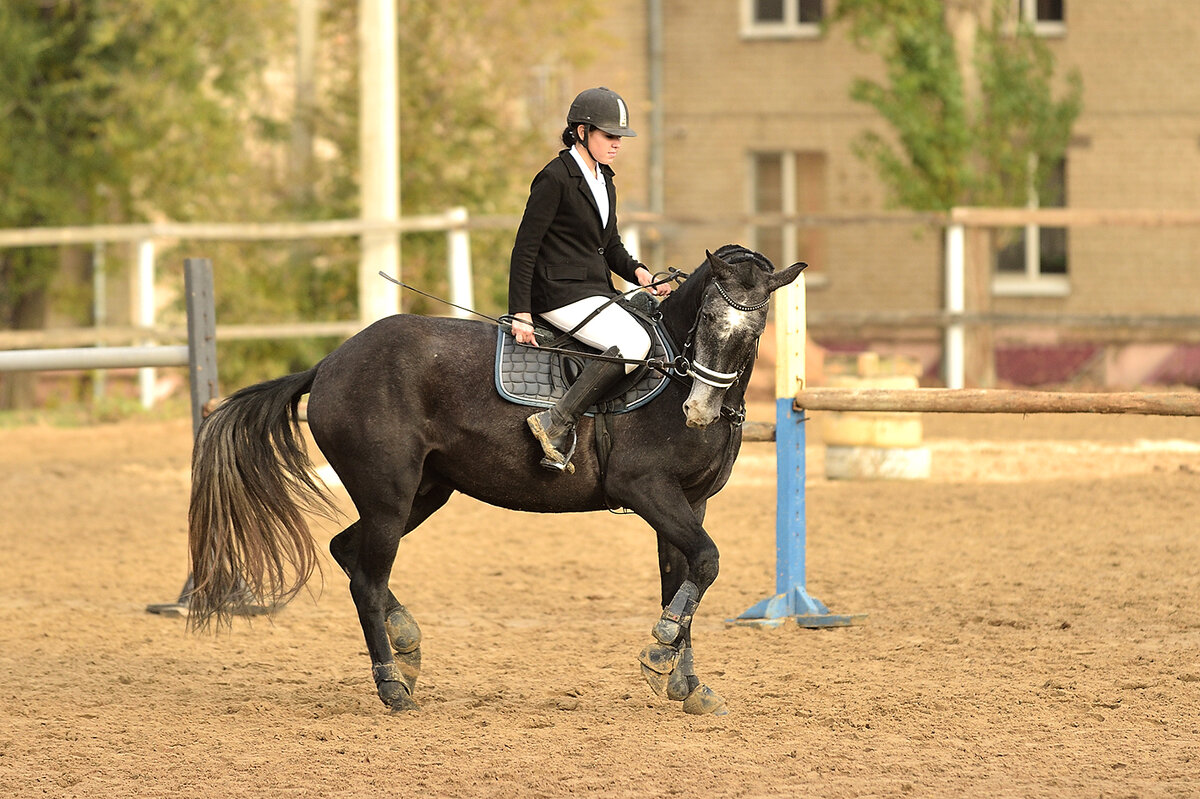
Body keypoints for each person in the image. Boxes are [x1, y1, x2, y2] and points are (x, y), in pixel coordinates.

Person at [508, 86, 670, 475]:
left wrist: (640, 273)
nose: (617, 144)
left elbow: (609, 244)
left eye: (620, 137)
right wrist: (521, 312)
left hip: (594, 291)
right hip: (559, 293)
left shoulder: (604, 179)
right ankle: (556, 422)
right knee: (634, 344)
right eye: (609, 135)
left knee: (655, 332)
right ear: (582, 132)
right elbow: (525, 248)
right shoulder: (554, 178)